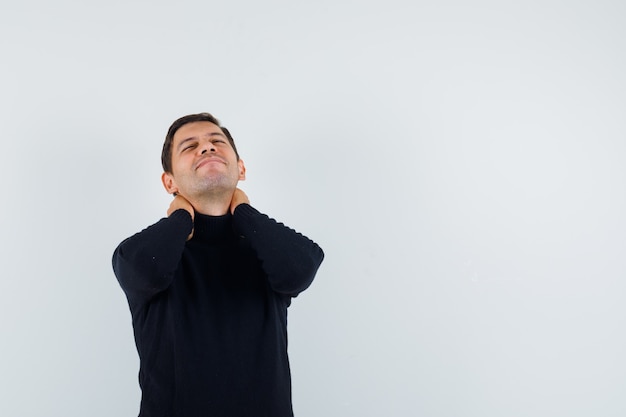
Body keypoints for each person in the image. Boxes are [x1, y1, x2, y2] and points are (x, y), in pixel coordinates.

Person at [112, 113, 324, 417]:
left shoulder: (266, 249)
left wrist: (244, 212)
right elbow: (141, 269)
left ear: (241, 167)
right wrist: (180, 217)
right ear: (168, 181)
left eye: (217, 142)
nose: (207, 148)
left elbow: (301, 268)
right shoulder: (144, 253)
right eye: (190, 146)